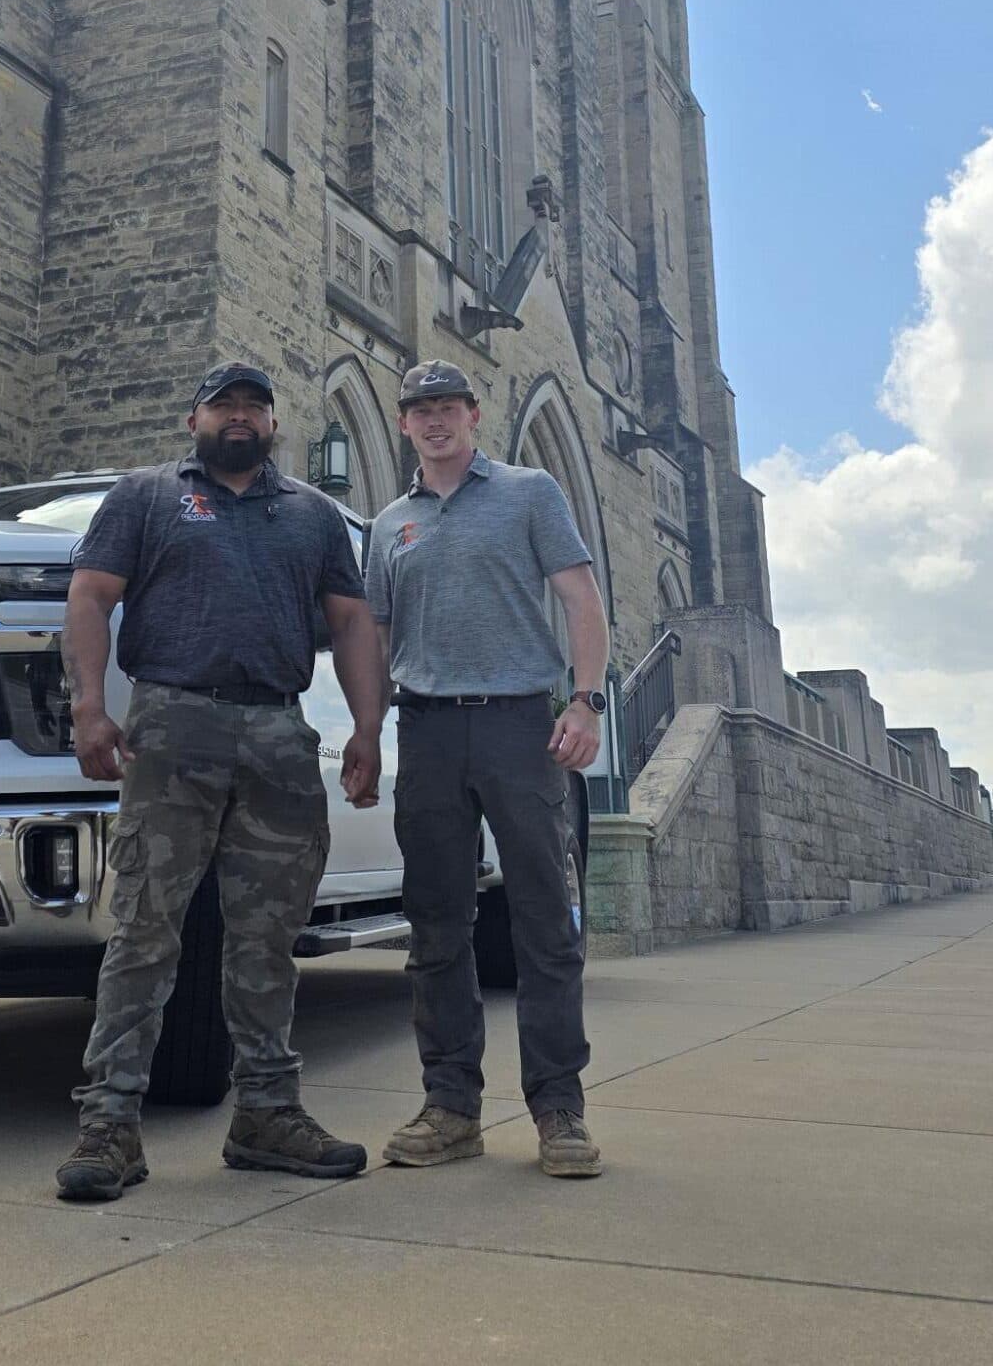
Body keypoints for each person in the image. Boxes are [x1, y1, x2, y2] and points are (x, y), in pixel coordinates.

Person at [55, 362, 385, 1202]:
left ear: (273, 423)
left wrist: (368, 727)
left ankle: (266, 1113)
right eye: (223, 404)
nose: (239, 416)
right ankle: (110, 1123)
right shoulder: (146, 495)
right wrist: (89, 707)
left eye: (254, 406)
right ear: (193, 418)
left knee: (268, 936)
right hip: (172, 726)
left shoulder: (311, 514)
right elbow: (89, 596)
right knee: (145, 930)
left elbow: (351, 621)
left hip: (278, 733)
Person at [367, 360, 611, 1178]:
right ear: (404, 423)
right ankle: (450, 1107)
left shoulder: (529, 492)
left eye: (448, 406)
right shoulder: (389, 525)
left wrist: (586, 702)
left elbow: (580, 597)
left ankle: (559, 1107)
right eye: (420, 410)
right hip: (426, 731)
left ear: (474, 414)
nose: (435, 421)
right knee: (437, 924)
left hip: (518, 725)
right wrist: (366, 731)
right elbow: (375, 636)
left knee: (543, 920)